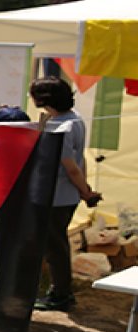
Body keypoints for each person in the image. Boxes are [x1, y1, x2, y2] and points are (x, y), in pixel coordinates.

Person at [30, 77, 101, 312]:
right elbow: (80, 162)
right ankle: (60, 291)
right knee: (56, 245)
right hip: (67, 195)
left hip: (56, 196)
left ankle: (61, 294)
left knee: (55, 247)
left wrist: (85, 191)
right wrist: (85, 189)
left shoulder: (59, 128)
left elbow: (70, 166)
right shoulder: (76, 119)